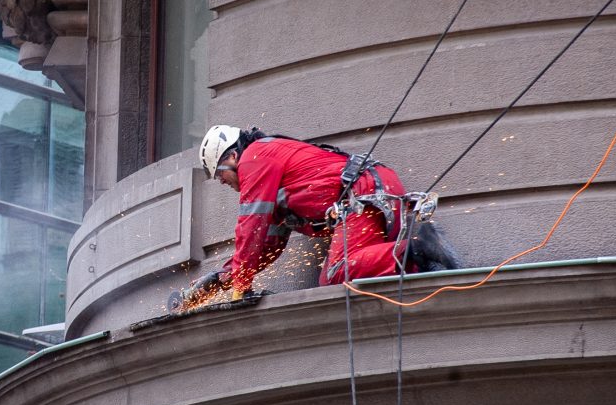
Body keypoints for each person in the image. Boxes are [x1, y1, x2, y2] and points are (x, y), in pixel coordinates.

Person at [174, 125, 462, 308]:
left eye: (220, 175)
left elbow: (251, 226)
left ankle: (417, 246)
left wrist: (241, 287)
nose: (223, 183)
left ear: (232, 157)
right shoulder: (274, 177)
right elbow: (265, 246)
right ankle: (422, 262)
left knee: (337, 272)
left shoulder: (255, 157)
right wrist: (223, 279)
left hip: (360, 193)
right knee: (370, 269)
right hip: (375, 188)